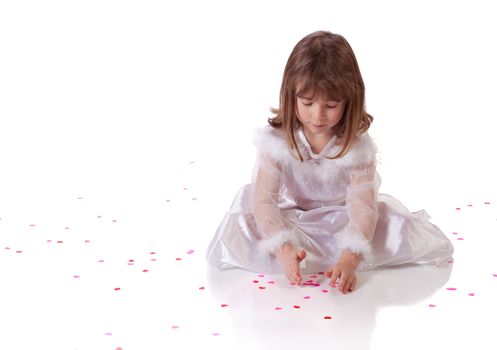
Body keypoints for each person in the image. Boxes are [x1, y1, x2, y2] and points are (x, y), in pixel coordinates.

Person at [206, 31, 454, 294]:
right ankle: (295, 254)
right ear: (292, 96)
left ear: (350, 100)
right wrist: (283, 247)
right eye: (308, 102)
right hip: (296, 218)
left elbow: (362, 208)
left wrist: (350, 258)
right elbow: (265, 201)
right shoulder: (276, 142)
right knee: (245, 216)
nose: (317, 115)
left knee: (388, 226)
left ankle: (337, 255)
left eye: (331, 105)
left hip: (343, 219)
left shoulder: (356, 147)